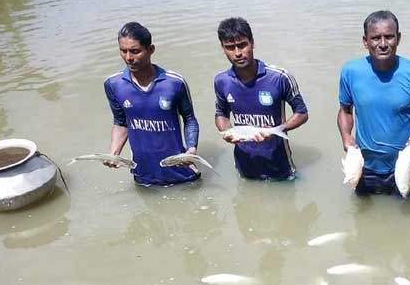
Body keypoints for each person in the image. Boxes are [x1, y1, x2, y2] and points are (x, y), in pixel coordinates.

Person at [337, 10, 410, 197]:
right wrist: (346, 136)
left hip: (403, 163)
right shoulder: (350, 72)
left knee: (405, 218)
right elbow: (345, 110)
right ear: (365, 41)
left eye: (389, 37)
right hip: (364, 165)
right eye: (375, 38)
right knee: (361, 218)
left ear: (398, 38)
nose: (382, 44)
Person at [103, 22, 200, 186]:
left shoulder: (174, 82)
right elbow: (121, 122)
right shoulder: (113, 84)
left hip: (182, 175)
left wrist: (191, 149)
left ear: (151, 49)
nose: (128, 58)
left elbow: (189, 119)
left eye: (135, 51)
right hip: (143, 176)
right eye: (123, 51)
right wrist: (114, 152)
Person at [214, 17, 309, 180]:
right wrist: (227, 132)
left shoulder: (280, 77)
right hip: (244, 167)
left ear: (252, 43)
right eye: (230, 47)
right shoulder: (221, 81)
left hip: (280, 167)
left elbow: (302, 113)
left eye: (242, 44)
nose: (237, 53)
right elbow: (221, 113)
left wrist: (277, 130)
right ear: (223, 48)